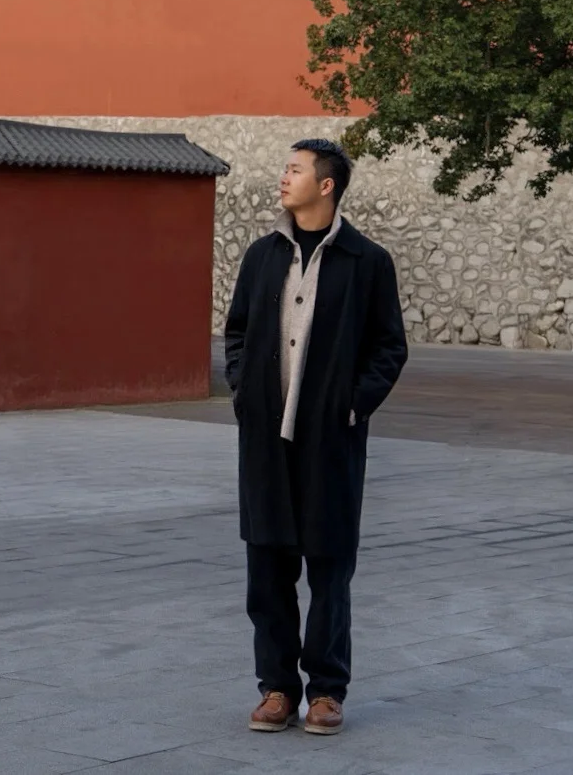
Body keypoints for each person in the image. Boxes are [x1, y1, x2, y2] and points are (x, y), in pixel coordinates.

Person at [224, 137, 407, 736]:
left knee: (329, 571)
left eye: (295, 169)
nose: (284, 177)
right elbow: (236, 332)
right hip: (265, 443)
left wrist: (351, 407)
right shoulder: (262, 256)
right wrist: (244, 391)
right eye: (286, 168)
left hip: (330, 443)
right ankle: (277, 688)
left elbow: (389, 347)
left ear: (326, 185)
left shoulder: (367, 261)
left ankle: (326, 692)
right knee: (267, 572)